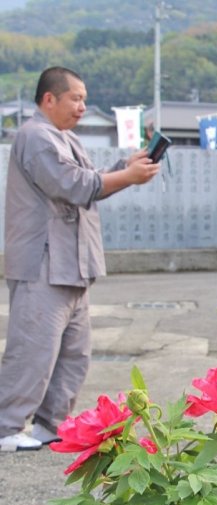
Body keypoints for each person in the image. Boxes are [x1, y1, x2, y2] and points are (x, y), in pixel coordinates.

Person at [0, 67, 160, 451]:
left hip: (71, 262)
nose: (82, 107)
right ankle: (6, 426)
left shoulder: (64, 138)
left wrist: (125, 168)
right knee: (33, 351)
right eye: (75, 98)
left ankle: (49, 424)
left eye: (84, 99)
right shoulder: (35, 136)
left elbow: (89, 181)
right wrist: (128, 177)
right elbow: (72, 185)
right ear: (49, 99)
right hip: (43, 261)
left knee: (74, 354)